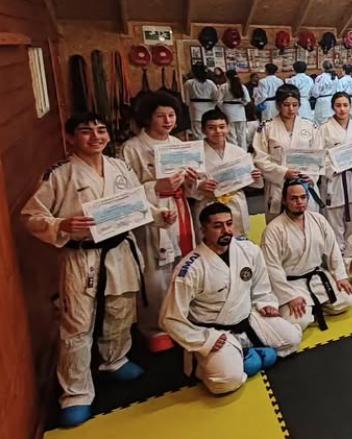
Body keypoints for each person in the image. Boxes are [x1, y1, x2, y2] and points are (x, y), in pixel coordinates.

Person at [22, 114, 177, 427]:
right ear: (70, 138)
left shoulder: (119, 167)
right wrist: (60, 224)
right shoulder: (59, 174)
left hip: (120, 249)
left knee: (121, 311)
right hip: (82, 256)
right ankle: (76, 393)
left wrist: (160, 215)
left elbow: (135, 205)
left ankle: (115, 360)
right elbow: (31, 216)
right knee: (77, 324)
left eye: (101, 130)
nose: (96, 137)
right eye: (86, 132)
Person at [161, 203, 302, 395]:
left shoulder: (248, 250)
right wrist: (204, 340)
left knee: (293, 339)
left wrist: (266, 304)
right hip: (214, 331)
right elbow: (169, 318)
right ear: (203, 229)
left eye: (229, 224)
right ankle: (203, 364)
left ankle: (244, 351)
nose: (226, 230)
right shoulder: (190, 268)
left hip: (247, 318)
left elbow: (261, 286)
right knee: (226, 382)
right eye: (217, 226)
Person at [121, 92, 199, 352]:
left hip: (179, 206)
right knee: (155, 271)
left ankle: (180, 315)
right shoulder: (132, 148)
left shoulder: (178, 142)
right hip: (151, 212)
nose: (167, 120)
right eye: (160, 115)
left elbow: (191, 185)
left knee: (182, 263)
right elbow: (126, 193)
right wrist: (157, 186)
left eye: (171, 115)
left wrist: (193, 181)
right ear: (148, 118)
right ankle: (154, 327)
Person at [263, 180, 352, 331]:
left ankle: (312, 307)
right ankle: (310, 308)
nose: (299, 202)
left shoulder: (318, 220)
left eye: (303, 197)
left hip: (317, 277)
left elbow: (333, 250)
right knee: (298, 321)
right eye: (294, 198)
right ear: (284, 201)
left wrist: (340, 276)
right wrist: (289, 296)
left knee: (348, 299)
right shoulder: (273, 230)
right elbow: (271, 267)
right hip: (291, 283)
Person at [252, 84, 323, 221]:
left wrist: (311, 177)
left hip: (305, 183)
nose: (291, 109)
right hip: (278, 186)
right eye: (286, 105)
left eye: (295, 105)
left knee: (308, 226)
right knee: (278, 230)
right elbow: (260, 160)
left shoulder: (310, 126)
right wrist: (284, 172)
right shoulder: (267, 127)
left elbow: (318, 155)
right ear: (278, 105)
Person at [193, 110, 263, 239]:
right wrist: (199, 186)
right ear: (203, 130)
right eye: (211, 128)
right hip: (209, 204)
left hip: (235, 203)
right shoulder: (195, 154)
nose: (218, 131)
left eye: (222, 127)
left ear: (228, 127)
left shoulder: (238, 152)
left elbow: (254, 182)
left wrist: (256, 176)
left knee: (239, 243)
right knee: (211, 242)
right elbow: (188, 185)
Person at [319, 92, 352, 250]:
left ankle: (351, 254)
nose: (342, 109)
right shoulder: (324, 129)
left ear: (350, 106)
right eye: (338, 105)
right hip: (336, 180)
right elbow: (319, 156)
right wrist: (333, 167)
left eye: (345, 105)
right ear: (333, 107)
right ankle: (337, 258)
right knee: (334, 223)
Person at [216, 69, 251, 149]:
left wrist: (223, 109)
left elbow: (218, 101)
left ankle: (235, 153)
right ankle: (243, 153)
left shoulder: (223, 86)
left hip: (228, 111)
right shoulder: (242, 86)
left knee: (231, 135)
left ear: (226, 76)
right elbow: (247, 100)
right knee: (242, 135)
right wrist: (242, 104)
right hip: (240, 112)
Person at [184, 63, 219, 140]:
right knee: (209, 130)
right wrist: (213, 104)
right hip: (209, 108)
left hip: (195, 108)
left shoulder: (189, 83)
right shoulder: (211, 83)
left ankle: (200, 149)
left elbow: (186, 99)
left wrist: (189, 105)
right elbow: (216, 97)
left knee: (197, 132)